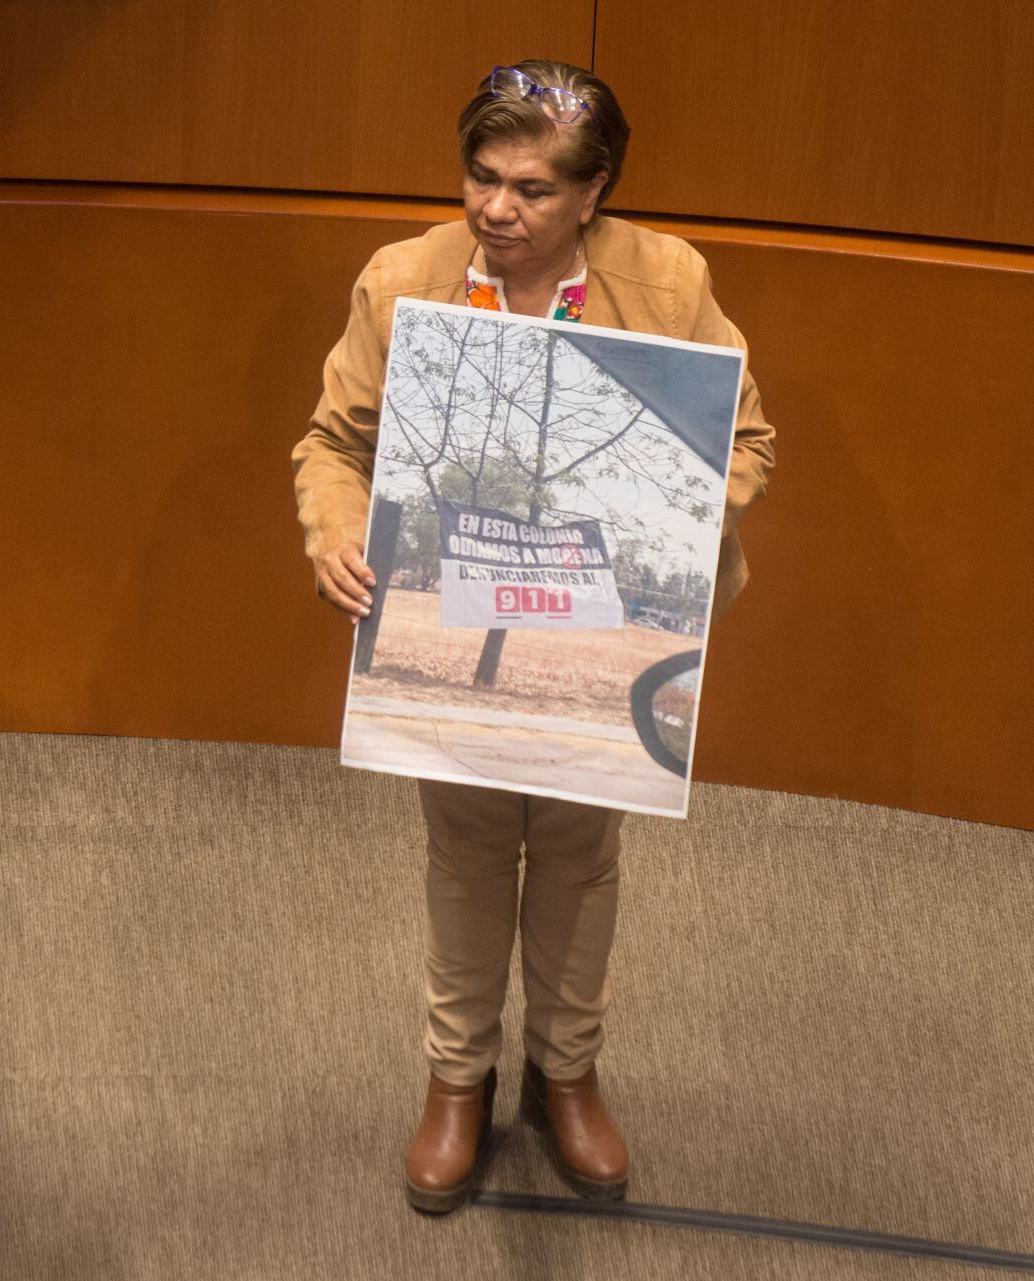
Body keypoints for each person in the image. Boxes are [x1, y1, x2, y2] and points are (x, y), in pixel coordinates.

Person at [291, 62, 774, 1213]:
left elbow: (747, 443)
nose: (495, 210)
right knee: (465, 853)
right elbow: (333, 442)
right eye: (480, 178)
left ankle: (568, 1072)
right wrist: (332, 533)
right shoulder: (405, 278)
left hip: (601, 631)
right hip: (445, 622)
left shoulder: (667, 282)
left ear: (592, 191)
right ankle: (457, 1079)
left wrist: (663, 509)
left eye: (531, 189)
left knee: (576, 856)